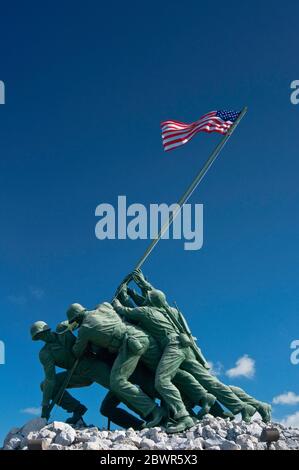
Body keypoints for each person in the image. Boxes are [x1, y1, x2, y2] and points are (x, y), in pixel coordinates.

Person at [113, 270, 257, 432]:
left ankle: (183, 416)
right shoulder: (170, 311)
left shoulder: (147, 311)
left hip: (173, 346)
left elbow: (125, 310)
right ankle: (242, 407)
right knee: (209, 381)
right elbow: (155, 298)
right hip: (187, 347)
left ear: (149, 301)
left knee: (162, 381)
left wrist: (120, 295)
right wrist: (138, 285)